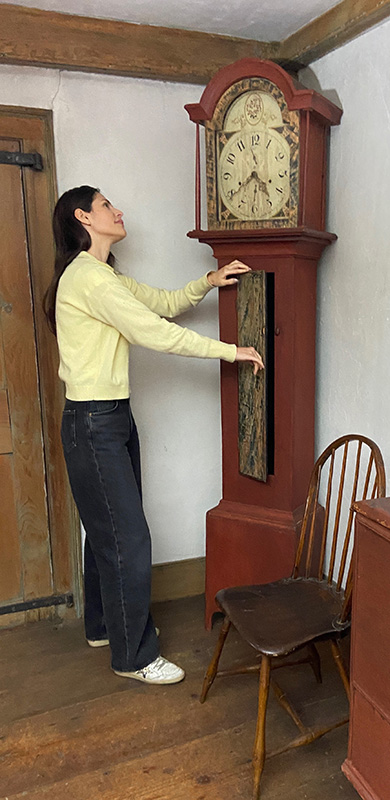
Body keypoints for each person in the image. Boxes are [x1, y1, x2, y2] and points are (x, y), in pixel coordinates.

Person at [43, 185, 264, 685]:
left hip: (110, 418)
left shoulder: (104, 276)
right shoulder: (88, 280)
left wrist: (208, 281)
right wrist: (231, 352)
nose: (118, 210)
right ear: (84, 217)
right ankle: (135, 656)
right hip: (94, 422)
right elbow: (154, 332)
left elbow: (161, 303)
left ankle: (105, 627)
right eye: (106, 206)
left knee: (108, 532)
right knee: (128, 538)